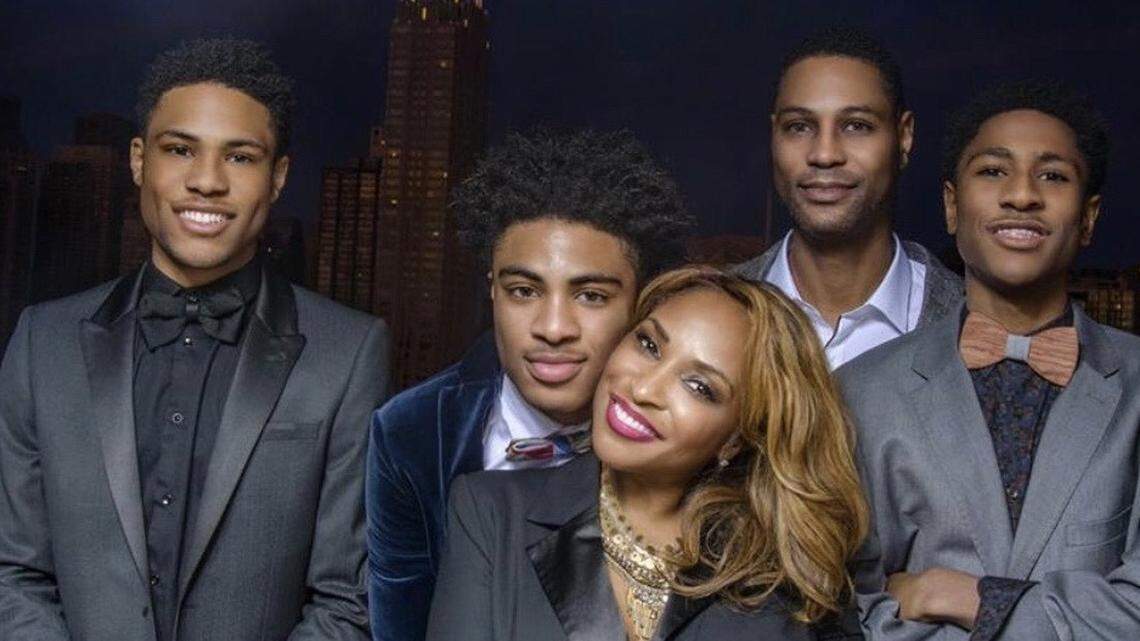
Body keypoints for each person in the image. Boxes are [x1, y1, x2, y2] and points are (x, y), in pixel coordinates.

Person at [0, 39, 390, 641]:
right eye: (180, 149)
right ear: (139, 161)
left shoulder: (349, 353)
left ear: (278, 177)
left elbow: (348, 601)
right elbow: (14, 571)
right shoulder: (40, 343)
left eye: (240, 157)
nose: (207, 181)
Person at [838, 80, 1139, 640]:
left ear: (1089, 217)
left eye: (1054, 176)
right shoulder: (859, 391)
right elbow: (842, 605)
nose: (1021, 195)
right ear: (952, 205)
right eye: (994, 170)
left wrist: (957, 595)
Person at [366, 129, 694, 641]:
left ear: (639, 302)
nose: (554, 328)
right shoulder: (410, 432)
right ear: (492, 290)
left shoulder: (692, 433)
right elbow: (401, 626)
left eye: (590, 296)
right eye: (523, 291)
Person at [426, 266, 868, 640]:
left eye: (699, 386)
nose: (643, 389)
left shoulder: (778, 580)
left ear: (736, 439)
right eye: (649, 345)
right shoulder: (490, 512)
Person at [735, 27, 961, 369]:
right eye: (799, 126)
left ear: (904, 137)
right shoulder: (713, 307)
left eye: (857, 126)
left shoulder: (970, 323)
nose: (824, 154)